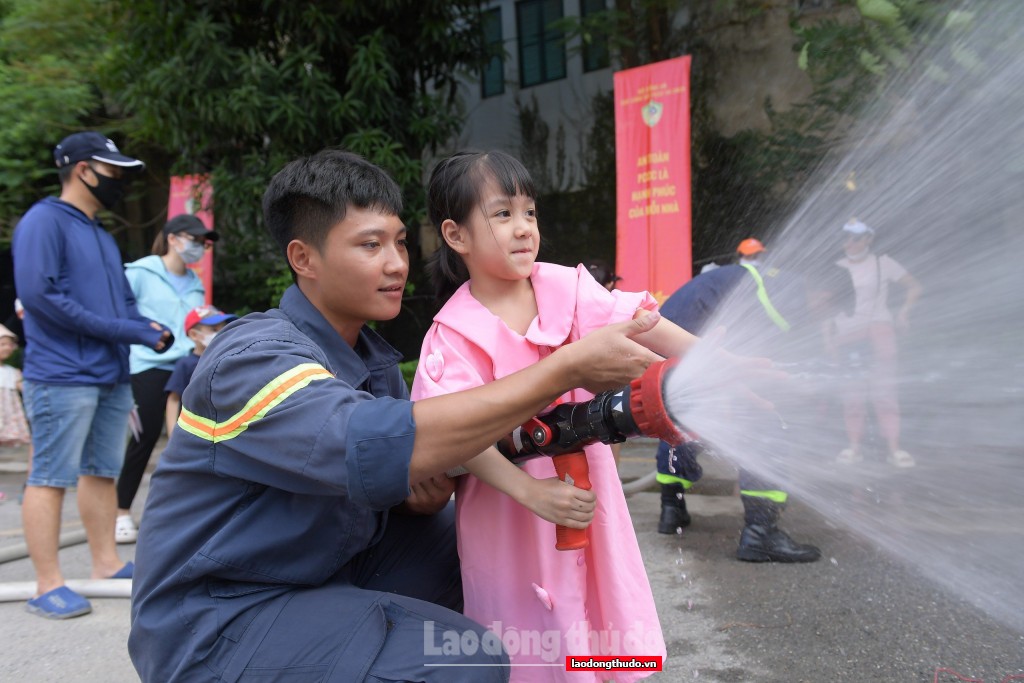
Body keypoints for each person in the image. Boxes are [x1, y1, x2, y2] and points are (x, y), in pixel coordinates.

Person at [128, 149, 664, 682]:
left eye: (400, 242)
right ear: (304, 258)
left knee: (484, 540)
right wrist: (564, 369)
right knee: (467, 660)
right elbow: (366, 442)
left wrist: (412, 499)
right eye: (370, 245)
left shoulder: (373, 363)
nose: (396, 264)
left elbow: (406, 464)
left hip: (325, 573)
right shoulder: (253, 360)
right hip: (221, 618)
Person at [411, 150, 703, 680]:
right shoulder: (451, 336)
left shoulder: (565, 289)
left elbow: (643, 321)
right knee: (528, 641)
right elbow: (457, 435)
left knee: (599, 617)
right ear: (456, 235)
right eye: (503, 214)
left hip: (587, 502)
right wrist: (531, 491)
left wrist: (718, 363)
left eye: (529, 211)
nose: (524, 227)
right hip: (509, 516)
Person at [12, 131, 171, 619]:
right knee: (50, 476)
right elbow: (41, 298)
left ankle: (106, 563)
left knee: (102, 471)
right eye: (113, 171)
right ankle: (47, 584)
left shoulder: (99, 233)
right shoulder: (44, 221)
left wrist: (146, 327)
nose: (120, 181)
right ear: (83, 169)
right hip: (61, 374)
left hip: (109, 373)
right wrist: (126, 329)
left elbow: (123, 303)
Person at [655, 237, 822, 563]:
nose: (820, 317)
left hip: (669, 331)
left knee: (683, 417)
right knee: (768, 418)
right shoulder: (790, 290)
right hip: (696, 332)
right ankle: (761, 532)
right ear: (823, 293)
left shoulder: (749, 279)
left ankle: (671, 510)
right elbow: (774, 352)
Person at [115, 214, 217, 544]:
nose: (199, 246)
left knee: (193, 437)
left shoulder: (196, 282)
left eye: (203, 242)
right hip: (148, 364)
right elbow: (119, 314)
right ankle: (121, 512)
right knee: (143, 437)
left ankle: (187, 515)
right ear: (173, 238)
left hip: (188, 366)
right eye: (194, 239)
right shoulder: (140, 272)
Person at [831, 219, 922, 467]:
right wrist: (828, 338)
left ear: (868, 239)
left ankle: (894, 448)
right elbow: (827, 308)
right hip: (847, 334)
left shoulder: (883, 263)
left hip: (879, 332)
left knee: (885, 393)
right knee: (853, 395)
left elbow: (914, 286)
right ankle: (854, 447)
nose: (850, 243)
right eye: (846, 238)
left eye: (856, 238)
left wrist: (904, 313)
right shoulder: (836, 268)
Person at [163, 304, 237, 437]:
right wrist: (172, 434)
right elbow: (173, 399)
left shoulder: (228, 360)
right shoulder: (185, 364)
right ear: (194, 334)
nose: (220, 334)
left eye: (224, 329)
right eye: (214, 329)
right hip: (193, 433)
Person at [0, 324, 31, 449]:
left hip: (8, 415)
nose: (7, 348)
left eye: (10, 344)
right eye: (2, 344)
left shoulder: (13, 372)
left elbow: (23, 387)